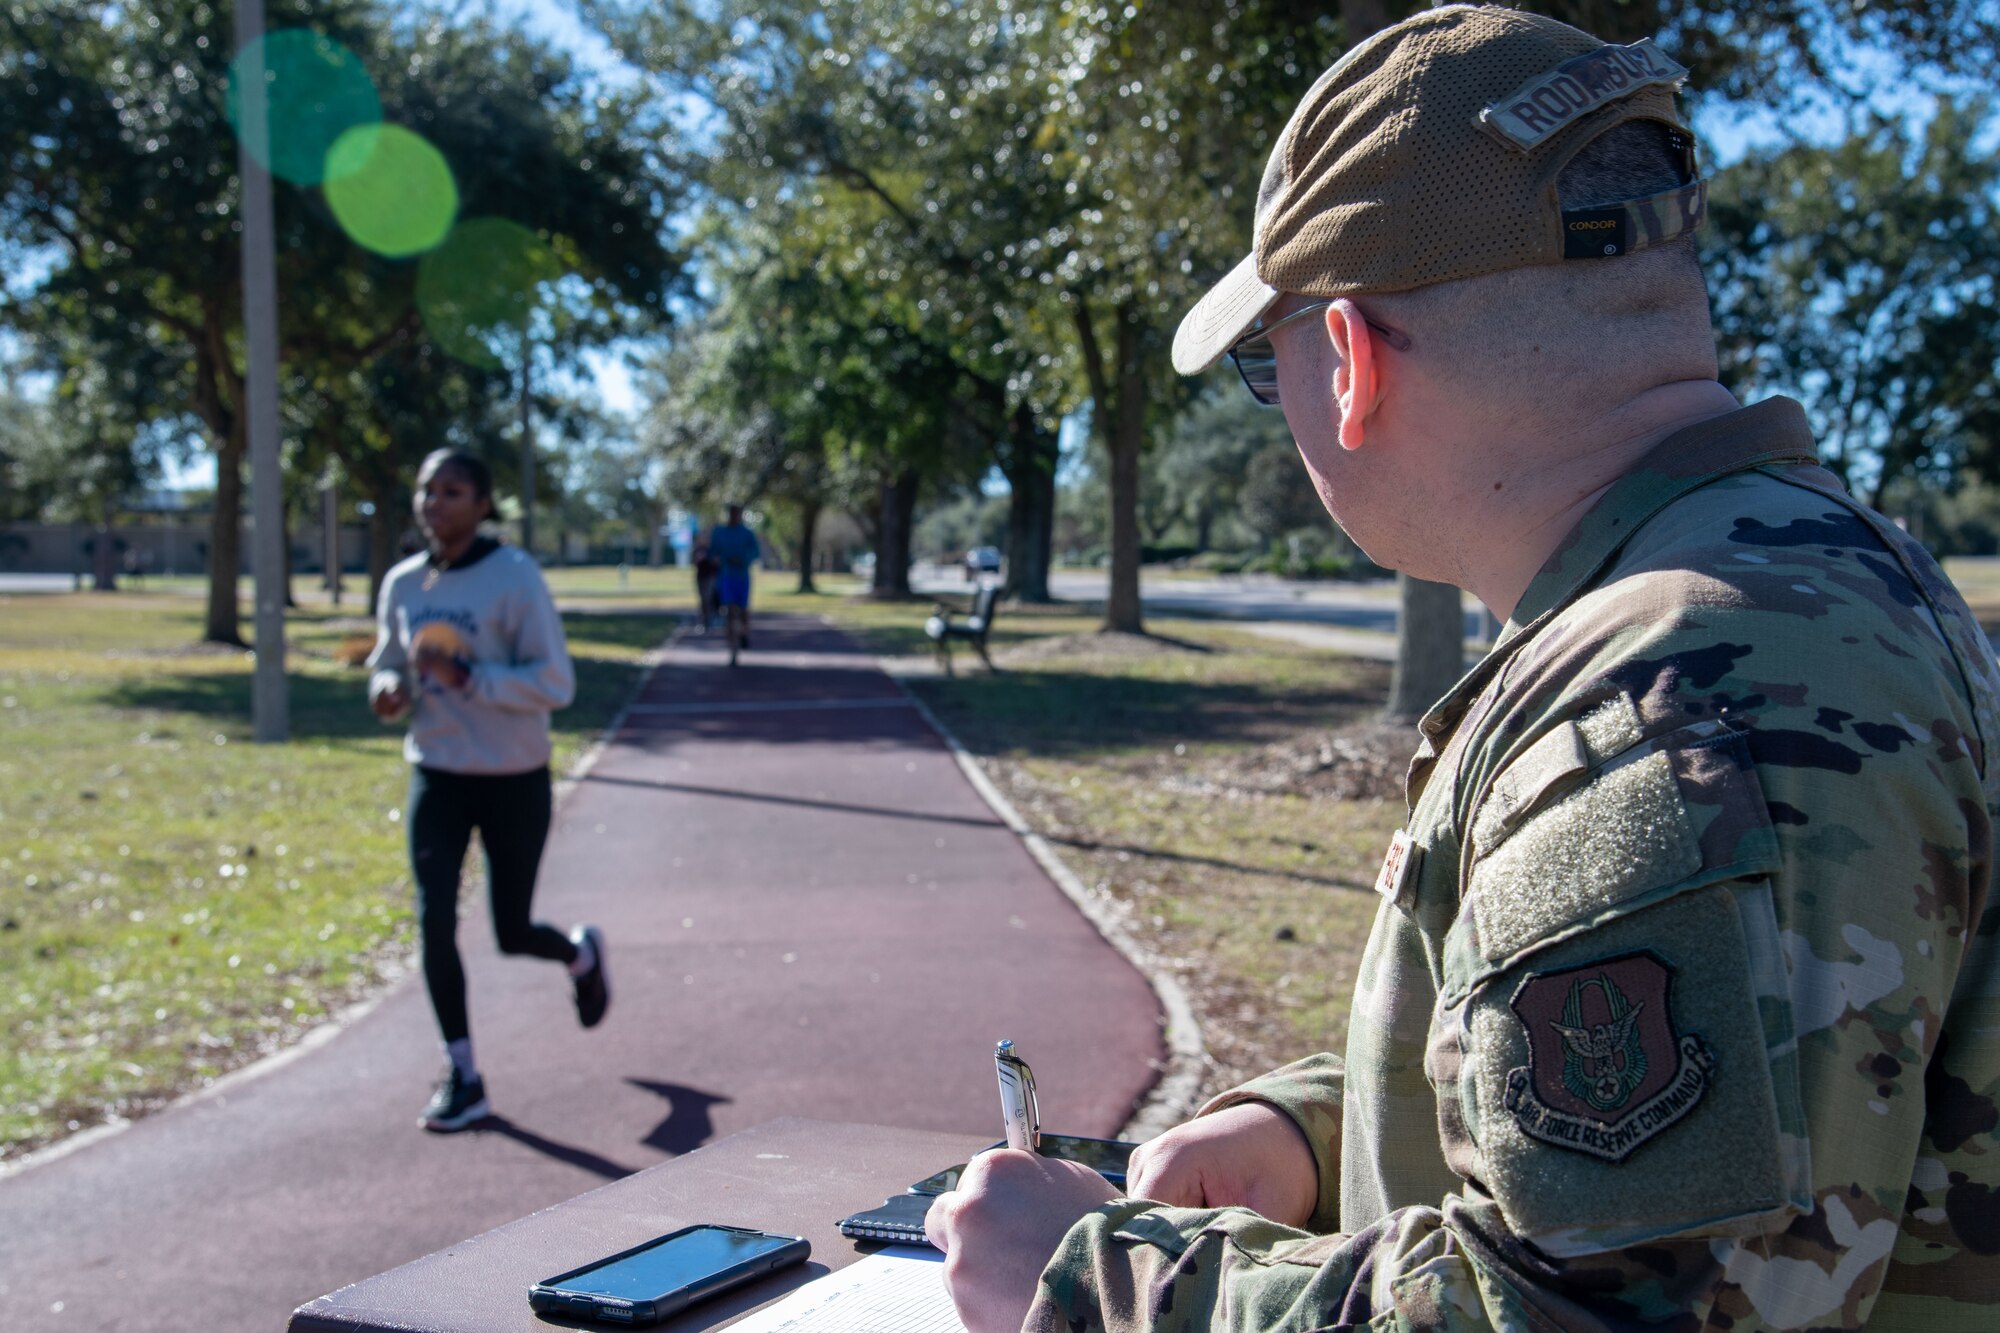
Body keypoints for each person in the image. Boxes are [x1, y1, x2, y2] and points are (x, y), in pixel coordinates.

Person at [924, 7, 2000, 1330]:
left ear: (1354, 363)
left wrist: (1107, 1274)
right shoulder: (1804, 586)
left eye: (1275, 363)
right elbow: (1773, 1094)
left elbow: (1590, 1313)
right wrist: (1322, 1129)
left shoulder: (1656, 700)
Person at [366, 449, 611, 1133]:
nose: (434, 503)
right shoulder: (404, 583)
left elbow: (555, 683)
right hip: (437, 772)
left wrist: (472, 677)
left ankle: (580, 954)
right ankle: (464, 1071)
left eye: (452, 491)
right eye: (426, 489)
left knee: (511, 931)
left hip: (512, 777)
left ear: (482, 504)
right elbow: (388, 662)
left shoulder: (514, 577)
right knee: (432, 916)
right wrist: (385, 689)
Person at [706, 503, 759, 658]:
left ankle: (744, 632)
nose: (735, 516)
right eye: (732, 513)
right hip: (726, 576)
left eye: (737, 514)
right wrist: (717, 559)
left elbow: (755, 552)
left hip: (742, 576)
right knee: (728, 610)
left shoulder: (747, 533)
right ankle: (732, 648)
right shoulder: (719, 532)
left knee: (743, 609)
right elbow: (712, 553)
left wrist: (743, 560)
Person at [692, 535, 721, 631]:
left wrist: (712, 560)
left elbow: (718, 563)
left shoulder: (713, 550)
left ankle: (713, 619)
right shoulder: (698, 550)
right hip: (701, 577)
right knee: (703, 599)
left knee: (710, 598)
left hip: (711, 577)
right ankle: (705, 620)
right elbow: (694, 562)